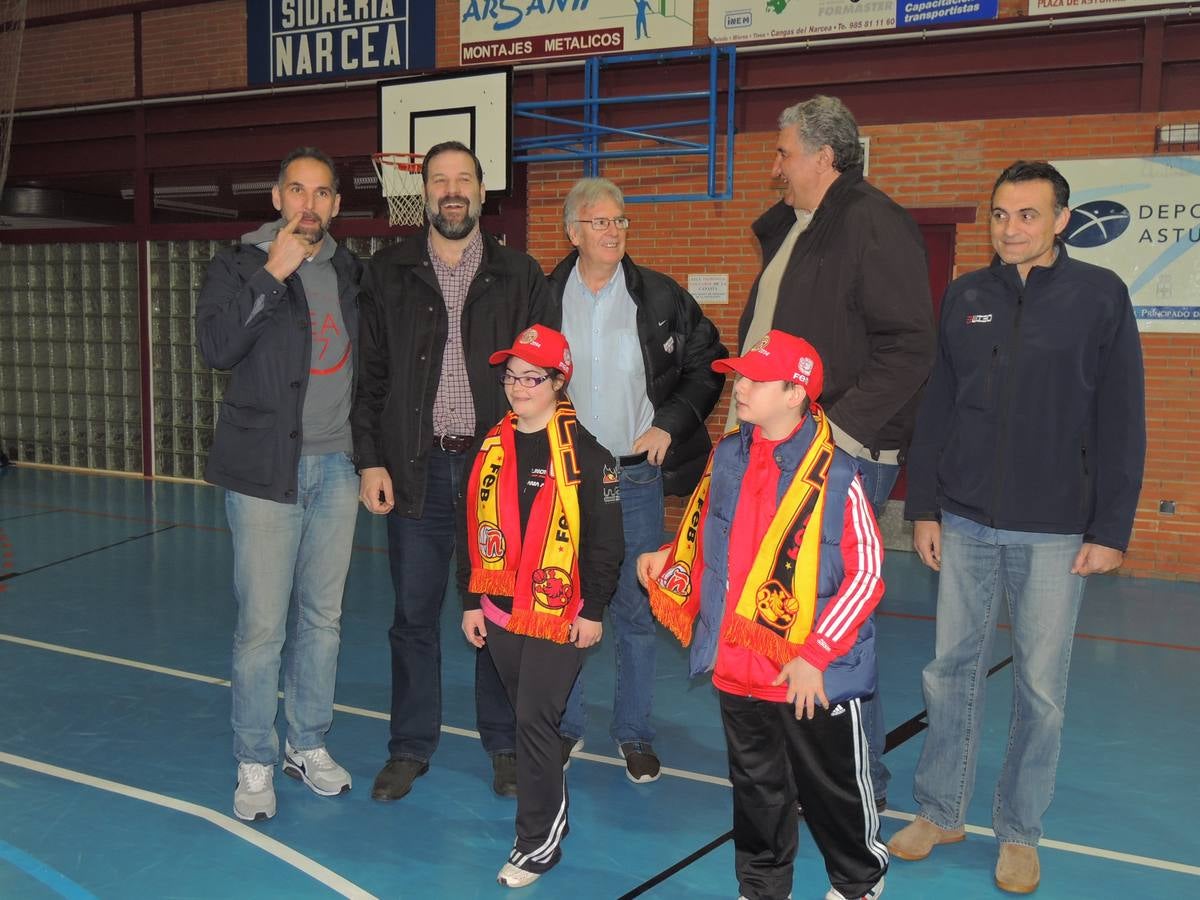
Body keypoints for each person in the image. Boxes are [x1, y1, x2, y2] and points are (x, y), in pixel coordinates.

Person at [887, 161, 1146, 895]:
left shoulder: (1101, 298)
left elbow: (1123, 419)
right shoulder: (966, 295)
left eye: (1028, 215)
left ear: (1062, 220)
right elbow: (938, 407)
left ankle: (1020, 829)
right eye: (1001, 214)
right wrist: (927, 506)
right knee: (949, 674)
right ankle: (940, 811)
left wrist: (1111, 527)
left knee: (1040, 687)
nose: (1011, 229)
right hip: (966, 519)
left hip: (1058, 530)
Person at [735, 95, 936, 810]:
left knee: (830, 621)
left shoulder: (872, 222)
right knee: (785, 612)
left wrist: (837, 434)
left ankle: (860, 785)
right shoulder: (805, 227)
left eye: (785, 152)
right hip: (793, 449)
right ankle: (807, 770)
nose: (776, 166)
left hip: (838, 452)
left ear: (824, 155)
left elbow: (910, 346)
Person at [639, 330, 888, 900]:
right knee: (755, 788)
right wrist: (670, 558)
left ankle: (857, 883)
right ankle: (762, 886)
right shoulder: (728, 454)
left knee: (831, 789)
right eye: (740, 375)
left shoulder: (839, 473)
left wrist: (814, 654)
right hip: (737, 662)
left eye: (754, 379)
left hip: (809, 671)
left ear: (796, 392)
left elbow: (868, 572)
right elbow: (710, 537)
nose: (740, 386)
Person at [351, 140, 556, 803]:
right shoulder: (387, 273)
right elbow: (370, 377)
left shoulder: (520, 274)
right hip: (414, 470)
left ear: (481, 188)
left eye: (462, 178)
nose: (451, 190)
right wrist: (370, 460)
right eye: (439, 180)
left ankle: (505, 746)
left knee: (497, 611)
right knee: (413, 616)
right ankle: (409, 747)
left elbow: (544, 377)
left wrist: (534, 461)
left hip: (492, 471)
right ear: (424, 192)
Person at [196, 146, 361, 822]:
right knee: (263, 627)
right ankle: (255, 759)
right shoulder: (238, 263)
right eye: (297, 190)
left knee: (323, 619)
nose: (309, 204)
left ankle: (307, 743)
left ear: (336, 206)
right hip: (266, 471)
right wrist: (271, 275)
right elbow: (215, 349)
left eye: (322, 193)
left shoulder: (351, 271)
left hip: (339, 467)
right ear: (276, 197)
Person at [546, 177, 727, 782]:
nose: (613, 232)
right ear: (573, 233)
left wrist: (670, 425)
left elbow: (707, 363)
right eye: (600, 222)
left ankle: (634, 733)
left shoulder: (659, 296)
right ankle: (566, 725)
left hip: (636, 481)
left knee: (635, 610)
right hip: (566, 480)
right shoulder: (543, 298)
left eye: (620, 221)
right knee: (564, 601)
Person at [458, 325, 623, 889]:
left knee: (534, 721)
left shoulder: (590, 455)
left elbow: (606, 542)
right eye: (511, 376)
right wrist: (470, 600)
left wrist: (593, 609)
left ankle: (537, 843)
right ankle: (549, 819)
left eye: (532, 377)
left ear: (559, 382)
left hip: (558, 613)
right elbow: (470, 529)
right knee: (528, 719)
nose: (518, 387)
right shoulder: (491, 445)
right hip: (500, 611)